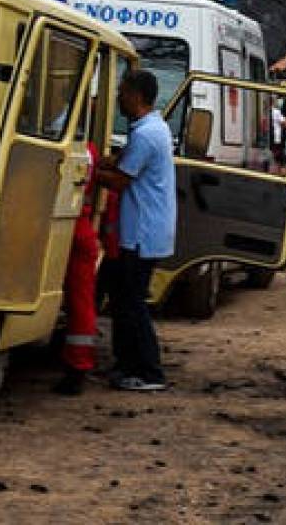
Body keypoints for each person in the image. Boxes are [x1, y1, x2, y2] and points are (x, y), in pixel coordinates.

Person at [96, 69, 175, 391]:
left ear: (137, 95)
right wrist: (105, 161)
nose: (118, 98)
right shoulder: (152, 128)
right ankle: (126, 364)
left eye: (123, 92)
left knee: (132, 303)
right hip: (144, 231)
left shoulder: (145, 135)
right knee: (122, 297)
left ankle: (148, 371)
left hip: (141, 234)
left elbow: (120, 180)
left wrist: (85, 169)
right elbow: (123, 162)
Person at [53, 140, 101, 396]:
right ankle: (77, 365)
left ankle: (77, 366)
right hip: (79, 224)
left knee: (79, 303)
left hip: (68, 223)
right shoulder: (89, 149)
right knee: (81, 302)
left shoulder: (67, 146)